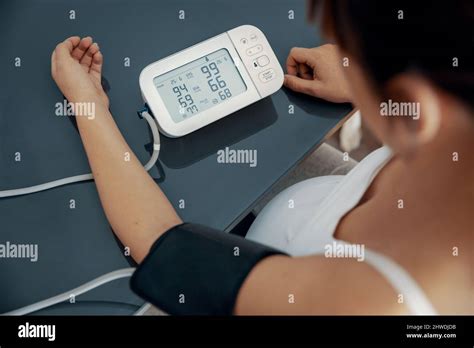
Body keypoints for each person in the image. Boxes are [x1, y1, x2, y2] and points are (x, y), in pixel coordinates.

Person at [50, 0, 473, 315]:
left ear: (413, 111)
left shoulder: (367, 304)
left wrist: (88, 105)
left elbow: (165, 246)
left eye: (348, 47)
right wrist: (360, 78)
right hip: (320, 199)